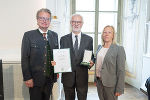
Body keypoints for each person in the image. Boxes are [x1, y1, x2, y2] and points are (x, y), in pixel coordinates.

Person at [21, 8, 58, 100]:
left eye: (47, 19)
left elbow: (56, 55)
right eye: (42, 18)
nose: (44, 21)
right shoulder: (29, 35)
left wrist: (57, 70)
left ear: (50, 21)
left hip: (50, 79)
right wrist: (27, 78)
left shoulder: (54, 35)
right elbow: (25, 58)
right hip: (35, 79)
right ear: (37, 20)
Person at [60, 14, 94, 100]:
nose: (76, 24)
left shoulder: (89, 39)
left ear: (82, 23)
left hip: (82, 77)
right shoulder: (63, 39)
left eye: (78, 22)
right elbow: (60, 56)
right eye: (74, 21)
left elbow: (91, 55)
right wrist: (57, 63)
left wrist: (92, 62)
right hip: (67, 77)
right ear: (71, 23)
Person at [94, 25, 126, 100]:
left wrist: (119, 88)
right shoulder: (99, 47)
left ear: (113, 35)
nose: (106, 34)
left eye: (109, 32)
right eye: (104, 32)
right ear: (102, 35)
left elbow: (121, 70)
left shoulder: (119, 49)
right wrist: (95, 79)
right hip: (99, 82)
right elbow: (98, 64)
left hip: (111, 84)